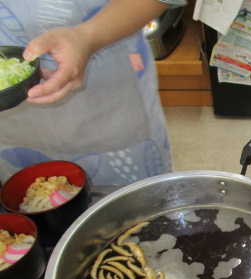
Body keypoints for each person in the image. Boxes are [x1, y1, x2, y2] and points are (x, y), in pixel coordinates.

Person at [0, 0, 186, 186]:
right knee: (26, 192)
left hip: (105, 82)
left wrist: (86, 37)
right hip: (11, 130)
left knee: (136, 196)